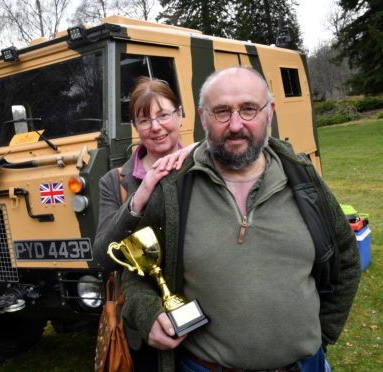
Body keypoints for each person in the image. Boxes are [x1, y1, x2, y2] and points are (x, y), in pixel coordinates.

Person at [120, 66, 361, 372]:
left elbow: (347, 258)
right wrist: (147, 313)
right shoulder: (173, 188)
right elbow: (134, 271)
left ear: (269, 112)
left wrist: (322, 335)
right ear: (203, 116)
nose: (235, 125)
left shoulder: (303, 179)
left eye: (248, 109)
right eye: (221, 112)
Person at [93, 76, 194, 371]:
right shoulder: (116, 182)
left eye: (164, 114)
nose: (156, 126)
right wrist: (140, 196)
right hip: (144, 326)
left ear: (180, 114)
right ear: (135, 127)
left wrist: (198, 151)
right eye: (144, 119)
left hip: (205, 314)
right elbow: (102, 255)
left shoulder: (203, 164)